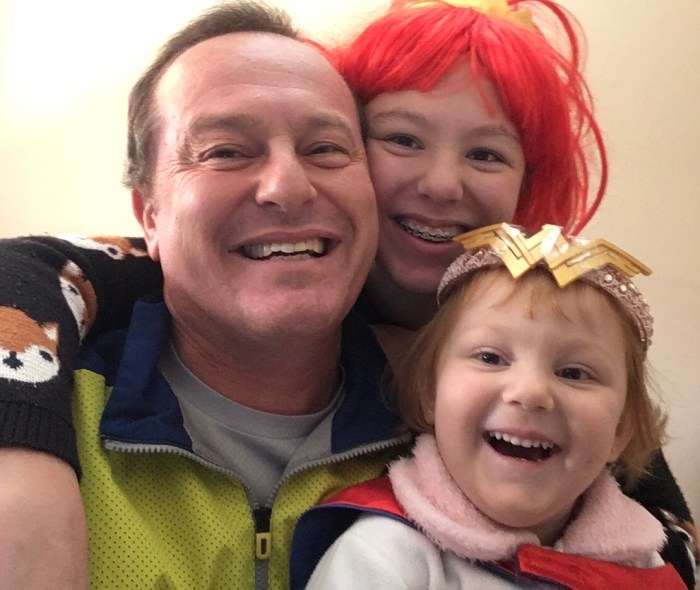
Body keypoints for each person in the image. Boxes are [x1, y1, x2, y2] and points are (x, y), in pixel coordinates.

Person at [0, 0, 695, 588]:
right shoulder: (69, 385)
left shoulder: (480, 431)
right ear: (148, 213)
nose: (287, 186)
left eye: (324, 147)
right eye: (225, 151)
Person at [290, 222, 686, 589]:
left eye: (574, 373)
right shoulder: (382, 556)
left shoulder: (644, 563)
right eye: (491, 358)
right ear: (430, 394)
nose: (530, 392)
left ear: (621, 429)